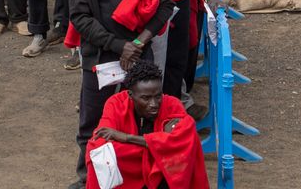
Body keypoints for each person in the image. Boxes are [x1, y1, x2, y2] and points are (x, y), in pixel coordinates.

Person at [67, 0, 174, 188]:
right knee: (91, 119)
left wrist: (139, 42)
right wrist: (118, 45)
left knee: (142, 115)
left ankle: (139, 174)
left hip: (139, 56)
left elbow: (164, 5)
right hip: (99, 58)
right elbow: (79, 17)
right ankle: (87, 175)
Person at [85, 60, 210, 189]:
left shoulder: (173, 105)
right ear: (130, 95)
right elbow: (99, 145)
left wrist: (126, 138)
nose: (154, 104)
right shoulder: (116, 104)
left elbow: (185, 139)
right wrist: (161, 142)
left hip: (164, 176)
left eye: (158, 96)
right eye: (146, 98)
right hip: (128, 177)